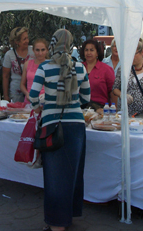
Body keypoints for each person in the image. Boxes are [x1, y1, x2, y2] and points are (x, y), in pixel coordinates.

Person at [28, 29, 90, 231]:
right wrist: (72, 103)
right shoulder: (81, 67)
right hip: (77, 127)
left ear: (53, 44)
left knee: (54, 176)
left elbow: (33, 95)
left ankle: (56, 225)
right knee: (72, 174)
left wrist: (40, 106)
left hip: (52, 125)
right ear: (71, 45)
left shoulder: (44, 67)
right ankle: (67, 217)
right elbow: (86, 99)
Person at [111, 39, 143, 116]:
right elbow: (115, 88)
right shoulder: (123, 68)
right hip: (125, 113)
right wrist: (122, 95)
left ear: (142, 52)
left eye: (133, 54)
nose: (131, 57)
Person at [79, 39, 114, 109]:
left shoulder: (106, 69)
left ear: (97, 53)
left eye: (91, 50)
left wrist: (113, 111)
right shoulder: (78, 68)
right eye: (86, 50)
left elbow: (113, 92)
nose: (88, 53)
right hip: (80, 109)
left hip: (100, 109)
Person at [2, 27, 34, 102]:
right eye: (24, 39)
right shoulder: (9, 55)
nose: (27, 41)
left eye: (27, 38)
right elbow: (5, 76)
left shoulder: (33, 51)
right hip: (15, 93)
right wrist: (6, 96)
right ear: (16, 41)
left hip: (31, 91)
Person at [20, 38, 48, 105]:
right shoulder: (27, 64)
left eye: (43, 50)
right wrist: (26, 93)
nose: (40, 53)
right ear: (33, 50)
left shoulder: (51, 65)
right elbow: (22, 84)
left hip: (46, 101)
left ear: (47, 50)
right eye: (37, 50)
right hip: (29, 101)